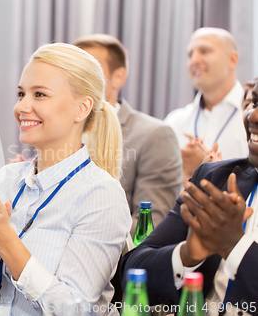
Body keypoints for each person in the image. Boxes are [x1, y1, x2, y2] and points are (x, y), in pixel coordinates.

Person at [0, 43, 131, 315]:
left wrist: (5, 239)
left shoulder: (101, 195)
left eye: (40, 94)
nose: (22, 106)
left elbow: (73, 309)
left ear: (82, 108)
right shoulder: (8, 179)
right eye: (21, 94)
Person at [121, 81, 258, 316]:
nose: (253, 116)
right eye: (254, 103)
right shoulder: (215, 178)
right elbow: (133, 269)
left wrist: (234, 246)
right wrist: (186, 255)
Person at [74, 34, 182, 233]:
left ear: (118, 77)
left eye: (90, 71)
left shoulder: (154, 135)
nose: (77, 79)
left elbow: (151, 228)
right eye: (72, 71)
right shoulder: (56, 130)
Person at [164, 27, 248, 183]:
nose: (194, 61)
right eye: (190, 54)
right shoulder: (174, 123)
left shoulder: (251, 120)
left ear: (233, 59)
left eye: (204, 51)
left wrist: (204, 168)